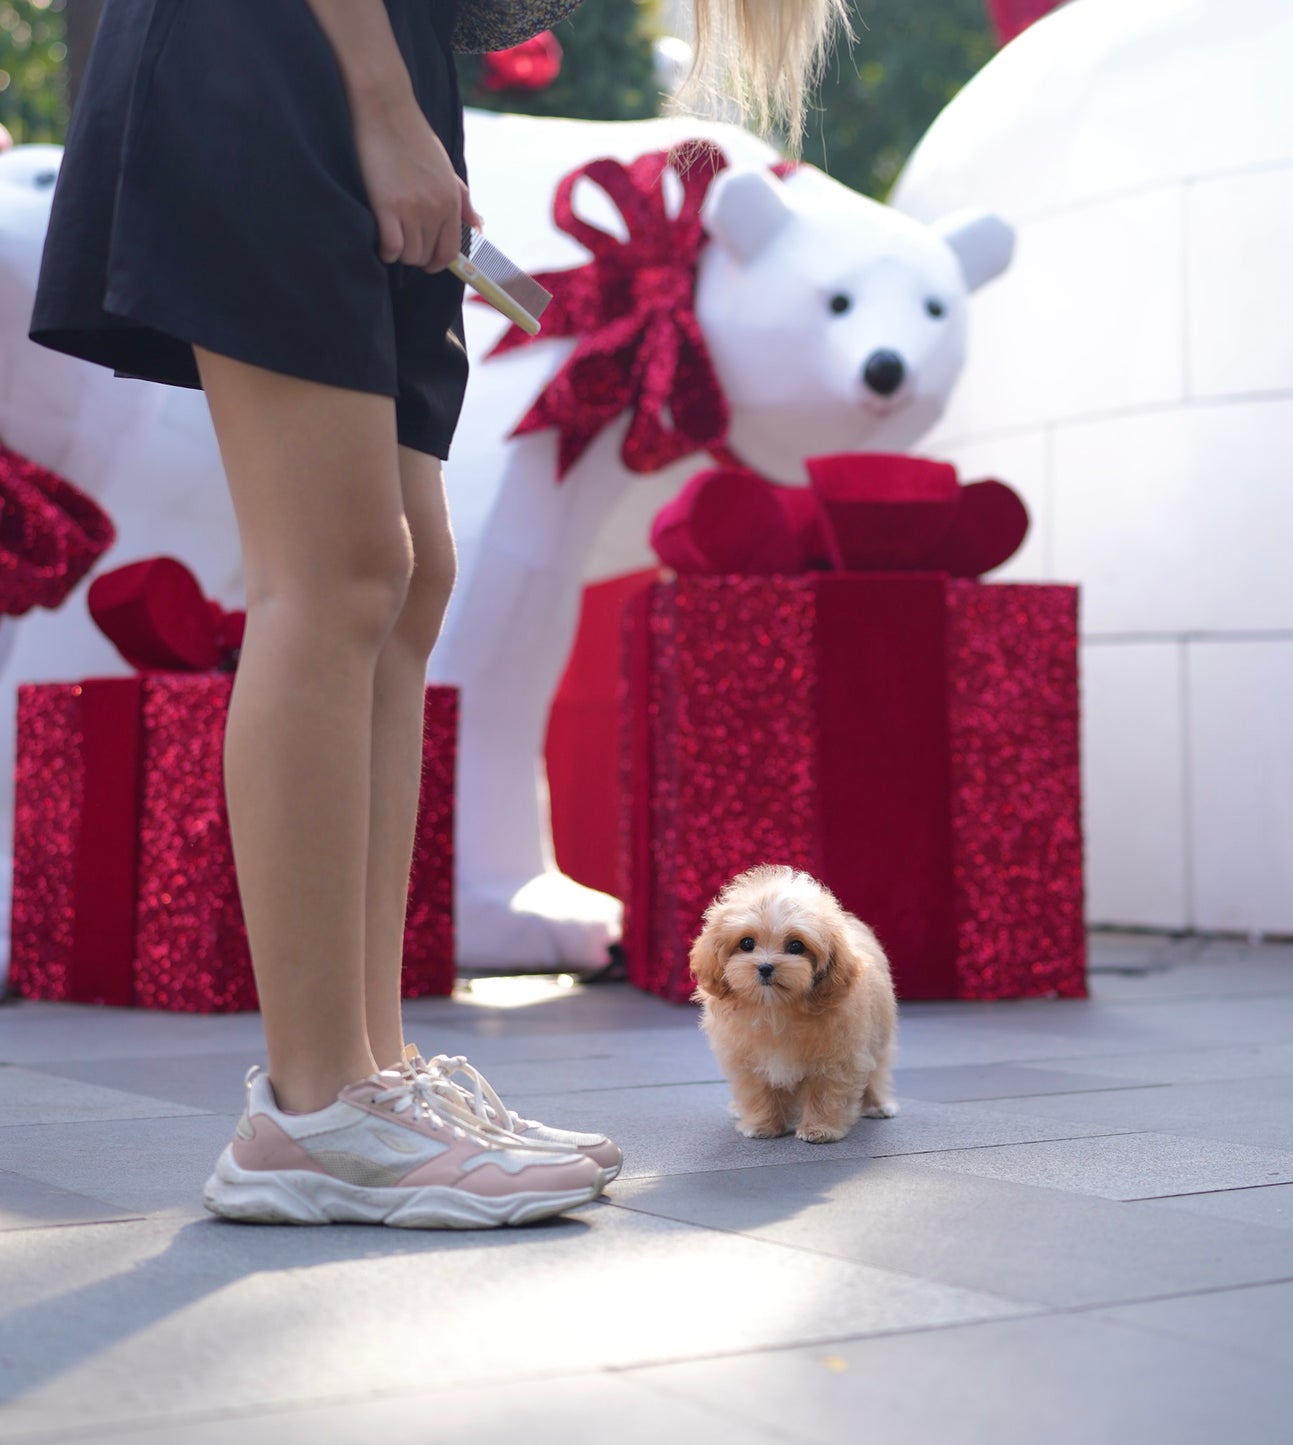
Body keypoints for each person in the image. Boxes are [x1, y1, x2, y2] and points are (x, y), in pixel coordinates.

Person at [27, 0, 848, 1228]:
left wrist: (394, 95)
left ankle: (374, 1074)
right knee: (338, 570)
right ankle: (314, 1107)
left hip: (355, 55)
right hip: (280, 47)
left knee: (406, 581)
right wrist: (379, 100)